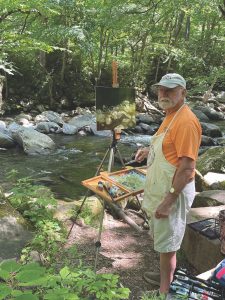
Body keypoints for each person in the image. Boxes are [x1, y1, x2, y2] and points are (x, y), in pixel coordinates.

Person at [135, 73, 202, 297]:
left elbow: (186, 168)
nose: (164, 93)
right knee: (164, 242)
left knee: (168, 245)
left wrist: (168, 201)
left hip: (174, 192)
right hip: (164, 189)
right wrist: (148, 151)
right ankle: (167, 274)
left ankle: (164, 292)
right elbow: (170, 150)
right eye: (161, 89)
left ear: (183, 92)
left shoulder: (186, 121)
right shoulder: (170, 114)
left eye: (170, 90)